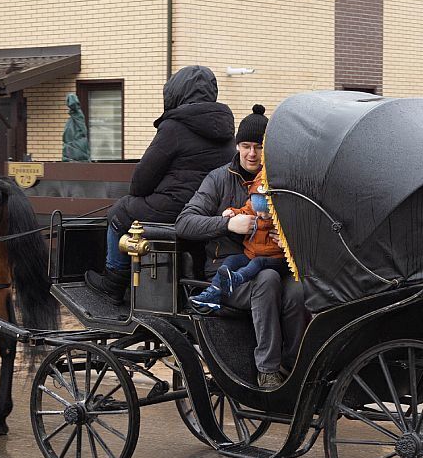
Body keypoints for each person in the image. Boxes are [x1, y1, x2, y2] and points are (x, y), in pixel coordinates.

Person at [176, 105, 306, 390]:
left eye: (259, 147)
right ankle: (267, 370)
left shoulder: (282, 181)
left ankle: (295, 364)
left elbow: (305, 227)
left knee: (298, 290)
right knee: (267, 280)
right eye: (246, 146)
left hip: (274, 263)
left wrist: (286, 240)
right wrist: (227, 225)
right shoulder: (219, 178)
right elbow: (184, 223)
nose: (251, 154)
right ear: (237, 146)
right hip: (227, 274)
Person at [85, 66, 235, 303]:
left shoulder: (174, 127)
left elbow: (140, 183)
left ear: (177, 92)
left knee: (119, 212)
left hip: (173, 209)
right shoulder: (226, 128)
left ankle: (113, 282)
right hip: (208, 211)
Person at [188, 172, 287, 313]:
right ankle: (213, 292)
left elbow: (298, 232)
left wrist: (288, 243)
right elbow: (244, 211)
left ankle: (238, 278)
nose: (262, 216)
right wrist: (231, 214)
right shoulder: (253, 206)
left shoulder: (283, 215)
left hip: (275, 259)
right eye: (259, 212)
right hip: (251, 253)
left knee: (258, 263)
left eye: (267, 213)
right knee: (232, 259)